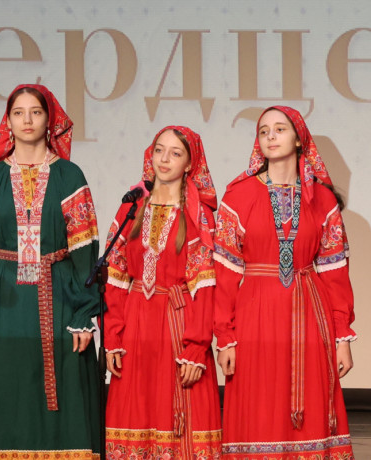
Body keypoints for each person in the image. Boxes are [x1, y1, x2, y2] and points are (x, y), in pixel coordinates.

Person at [0, 84, 101, 459]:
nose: (27, 120)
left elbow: (84, 250)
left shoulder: (70, 176)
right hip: (3, 304)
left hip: (60, 300)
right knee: (6, 390)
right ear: (8, 121)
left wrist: (83, 314)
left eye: (35, 112)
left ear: (49, 119)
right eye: (18, 113)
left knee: (65, 391)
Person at [214, 106, 356, 459]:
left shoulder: (322, 199)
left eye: (280, 129)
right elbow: (225, 274)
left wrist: (341, 338)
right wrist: (225, 337)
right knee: (259, 407)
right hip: (255, 315)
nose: (271, 136)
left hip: (309, 315)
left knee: (310, 409)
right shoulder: (238, 196)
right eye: (264, 131)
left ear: (298, 139)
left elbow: (335, 274)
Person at [103, 126, 222, 459]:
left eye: (175, 153)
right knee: (135, 415)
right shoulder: (131, 208)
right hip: (136, 327)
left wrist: (196, 347)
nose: (164, 159)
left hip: (178, 326)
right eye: (159, 150)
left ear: (190, 164)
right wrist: (112, 337)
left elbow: (205, 285)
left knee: (179, 419)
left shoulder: (198, 215)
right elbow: (116, 276)